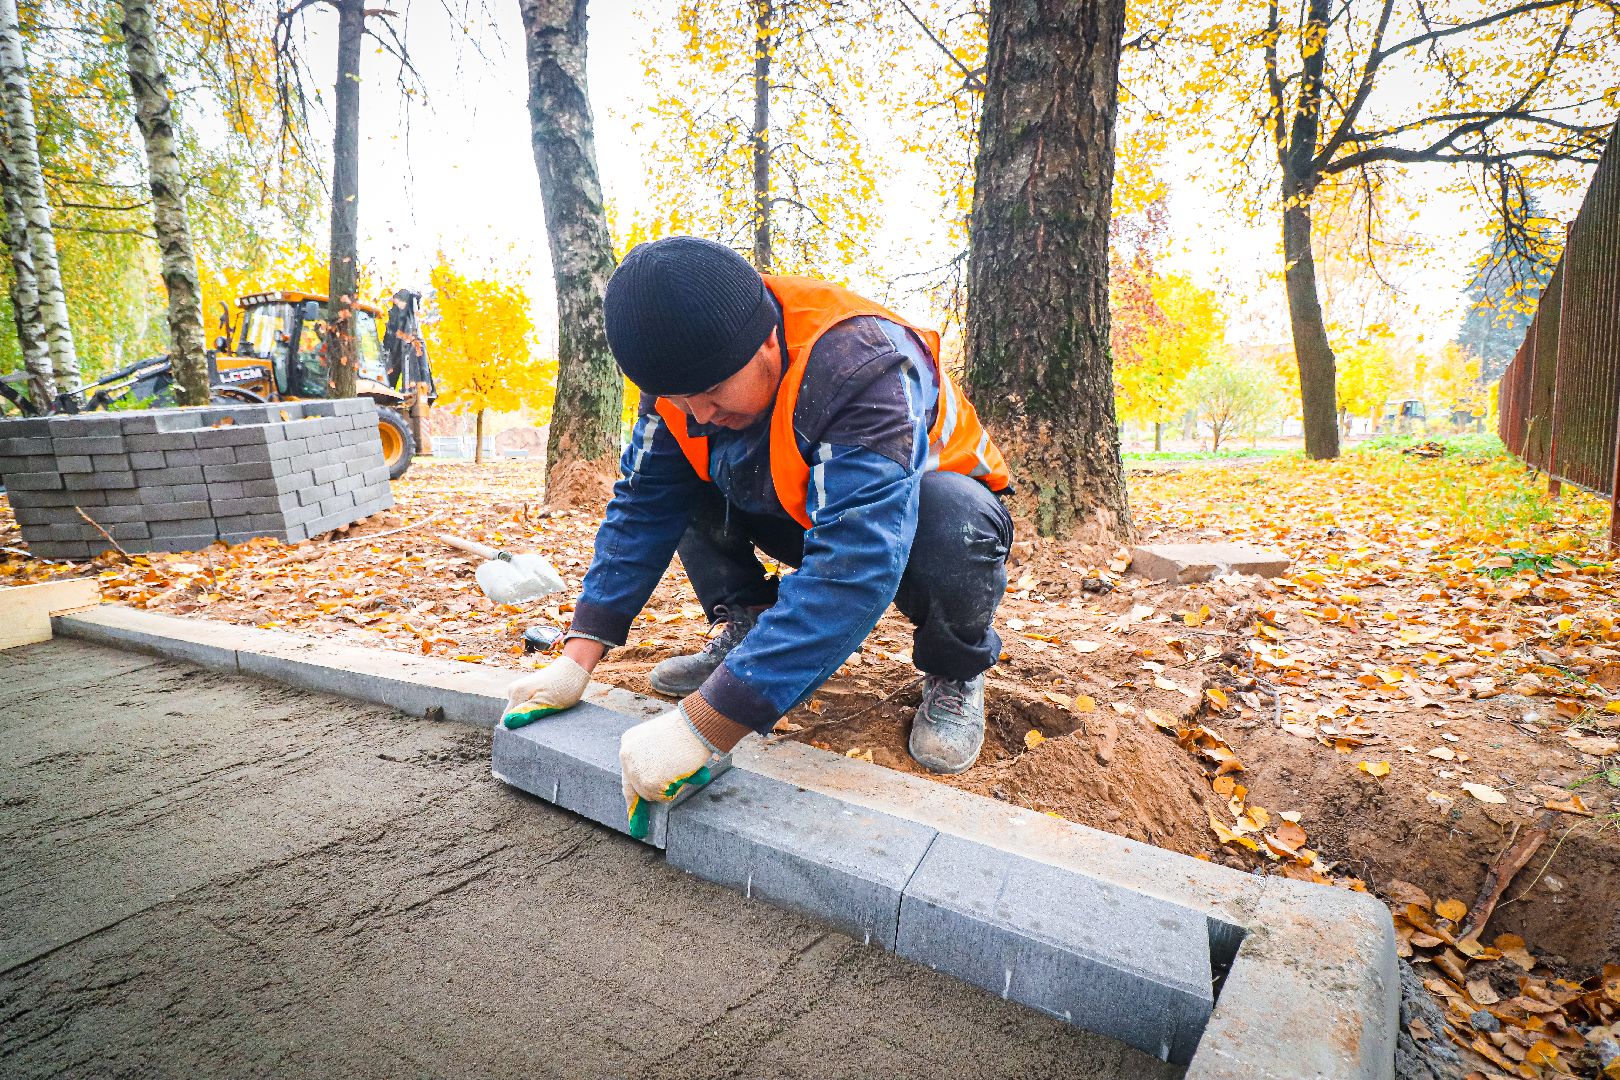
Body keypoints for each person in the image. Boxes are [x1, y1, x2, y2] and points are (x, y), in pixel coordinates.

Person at [503, 236, 1013, 823]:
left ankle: (955, 669)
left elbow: (858, 562)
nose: (697, 413)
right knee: (682, 476)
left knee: (953, 518)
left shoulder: (860, 361)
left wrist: (709, 723)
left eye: (712, 393)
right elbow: (643, 507)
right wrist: (578, 656)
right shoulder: (681, 374)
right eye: (678, 398)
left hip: (923, 514)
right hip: (802, 506)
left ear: (768, 338)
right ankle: (745, 628)